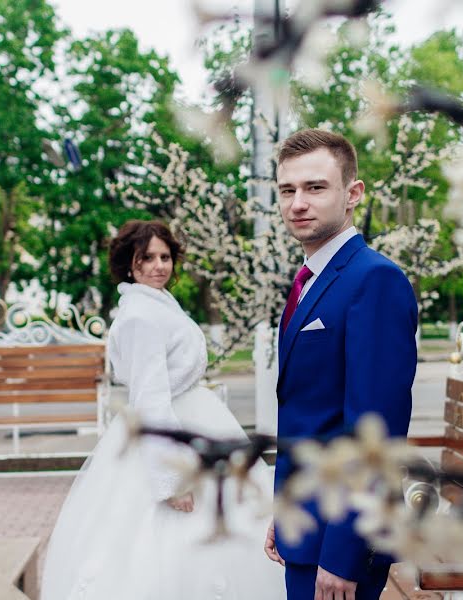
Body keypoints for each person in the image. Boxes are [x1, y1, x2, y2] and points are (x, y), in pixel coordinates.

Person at [41, 219, 285, 600]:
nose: (158, 266)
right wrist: (171, 481)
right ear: (129, 264)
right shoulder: (140, 316)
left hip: (196, 419)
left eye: (165, 257)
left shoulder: (155, 304)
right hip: (169, 434)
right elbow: (150, 398)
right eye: (147, 258)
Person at [263, 129, 418, 600]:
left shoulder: (375, 280)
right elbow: (311, 415)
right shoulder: (312, 278)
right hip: (307, 524)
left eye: (315, 187)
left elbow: (375, 433)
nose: (298, 203)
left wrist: (344, 554)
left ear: (353, 194)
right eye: (287, 190)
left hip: (339, 542)